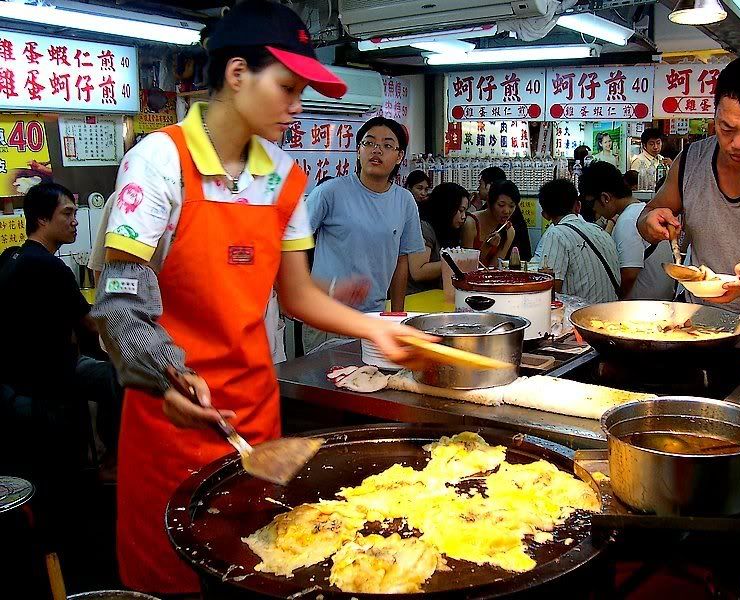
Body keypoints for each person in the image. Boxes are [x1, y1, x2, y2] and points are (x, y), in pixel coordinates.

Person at [90, 2, 431, 594]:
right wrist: (161, 374)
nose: (297, 107)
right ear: (238, 73)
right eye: (288, 87)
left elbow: (296, 294)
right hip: (172, 414)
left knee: (259, 568)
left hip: (254, 410)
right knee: (174, 577)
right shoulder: (159, 161)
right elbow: (119, 303)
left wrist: (374, 327)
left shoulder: (286, 176)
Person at [638, 56, 740, 336]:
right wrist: (651, 221)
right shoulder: (691, 159)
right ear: (714, 114)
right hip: (698, 316)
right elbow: (648, 216)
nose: (738, 143)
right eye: (726, 128)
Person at [0, 183, 122, 476]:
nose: (75, 221)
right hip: (49, 378)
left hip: (13, 378)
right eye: (67, 213)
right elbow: (91, 323)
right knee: (117, 377)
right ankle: (113, 460)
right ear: (42, 219)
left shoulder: (10, 257)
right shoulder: (51, 268)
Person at [303, 115, 425, 352]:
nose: (376, 150)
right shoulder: (330, 193)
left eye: (387, 145)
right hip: (327, 314)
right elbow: (290, 244)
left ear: (399, 156)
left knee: (367, 382)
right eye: (369, 143)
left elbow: (402, 260)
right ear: (358, 151)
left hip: (373, 317)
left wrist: (395, 316)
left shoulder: (405, 200)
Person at [580, 162, 674, 300]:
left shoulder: (627, 221)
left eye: (590, 203)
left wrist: (615, 299)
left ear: (605, 198)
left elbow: (629, 274)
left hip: (641, 311)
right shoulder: (641, 210)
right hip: (661, 301)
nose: (593, 209)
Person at [534, 179, 620, 303]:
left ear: (545, 215)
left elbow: (550, 292)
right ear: (578, 206)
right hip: (611, 314)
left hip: (581, 317)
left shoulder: (556, 234)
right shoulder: (600, 231)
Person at [407, 182, 469, 294]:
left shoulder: (450, 230)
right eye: (460, 210)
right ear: (447, 208)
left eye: (465, 211)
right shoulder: (425, 229)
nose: (463, 216)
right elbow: (418, 272)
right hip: (416, 296)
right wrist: (457, 261)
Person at [462, 179, 519, 267]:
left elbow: (494, 267)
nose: (507, 211)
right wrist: (486, 247)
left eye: (512, 206)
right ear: (489, 202)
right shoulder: (470, 223)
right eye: (501, 205)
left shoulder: (509, 231)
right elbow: (467, 267)